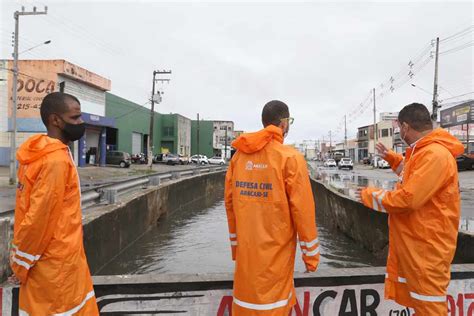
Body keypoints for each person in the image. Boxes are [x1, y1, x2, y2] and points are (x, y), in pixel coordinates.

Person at [357, 103, 464, 315]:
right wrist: (391, 157)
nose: (399, 133)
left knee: (429, 307)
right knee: (422, 306)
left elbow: (408, 198)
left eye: (398, 129)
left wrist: (368, 195)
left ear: (405, 127)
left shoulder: (434, 155)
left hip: (427, 250)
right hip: (420, 247)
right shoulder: (425, 153)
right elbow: (412, 176)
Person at [225, 100, 319, 315]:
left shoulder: (238, 157)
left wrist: (236, 248)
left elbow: (230, 206)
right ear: (284, 124)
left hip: (246, 264)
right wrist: (311, 257)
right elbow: (303, 212)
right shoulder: (290, 158)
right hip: (276, 265)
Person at [9, 92, 99, 315]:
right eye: (75, 118)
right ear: (55, 120)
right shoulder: (55, 161)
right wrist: (20, 265)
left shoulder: (40, 153)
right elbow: (38, 220)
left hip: (56, 261)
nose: (81, 123)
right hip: (55, 267)